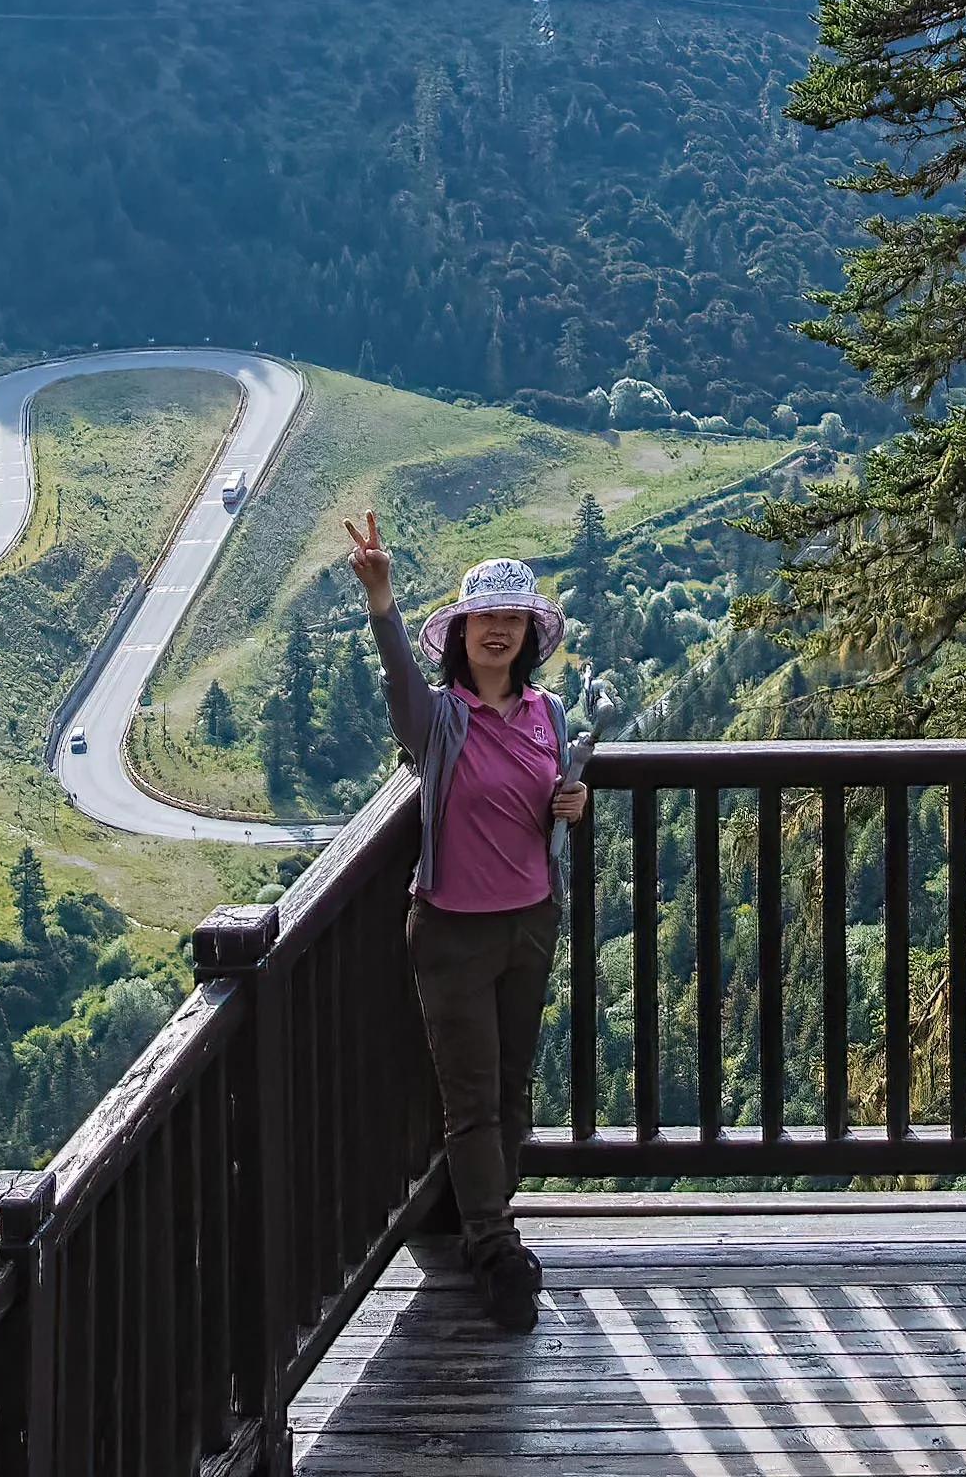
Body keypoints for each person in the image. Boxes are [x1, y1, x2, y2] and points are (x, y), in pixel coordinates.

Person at [346, 518, 588, 1333]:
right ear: (460, 633)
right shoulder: (440, 721)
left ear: (528, 636)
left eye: (512, 620)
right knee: (475, 1100)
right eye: (485, 618)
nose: (498, 631)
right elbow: (398, 689)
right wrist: (381, 599)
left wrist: (573, 803)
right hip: (450, 930)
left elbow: (552, 806)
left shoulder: (546, 716)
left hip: (529, 922)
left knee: (512, 1092)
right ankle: (494, 1246)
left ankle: (487, 1222)